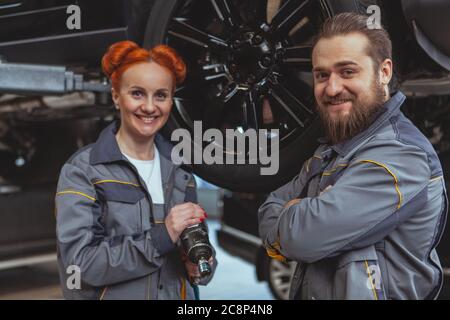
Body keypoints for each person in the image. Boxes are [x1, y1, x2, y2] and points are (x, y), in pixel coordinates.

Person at [258, 12, 447, 300]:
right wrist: (304, 212)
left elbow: (302, 239)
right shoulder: (333, 150)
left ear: (384, 72)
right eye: (322, 75)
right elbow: (268, 209)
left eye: (347, 71)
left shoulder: (400, 155)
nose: (331, 88)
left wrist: (295, 212)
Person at [55, 40, 216, 300]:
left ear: (171, 100)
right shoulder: (84, 171)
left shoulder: (180, 170)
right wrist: (163, 236)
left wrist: (200, 265)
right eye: (137, 93)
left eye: (161, 95)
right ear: (116, 95)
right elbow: (80, 265)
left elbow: (199, 249)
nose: (150, 107)